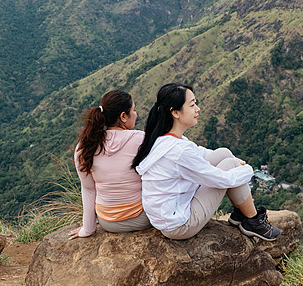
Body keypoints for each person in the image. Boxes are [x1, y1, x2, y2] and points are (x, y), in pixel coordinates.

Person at [132, 82, 280, 241]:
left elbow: (199, 152)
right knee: (230, 165)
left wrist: (233, 159)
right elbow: (222, 180)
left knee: (224, 153)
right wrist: (247, 169)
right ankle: (253, 220)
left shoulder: (163, 139)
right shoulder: (179, 151)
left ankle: (240, 213)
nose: (198, 109)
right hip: (179, 225)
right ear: (175, 112)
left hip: (168, 215)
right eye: (192, 105)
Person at [68, 89, 151, 238]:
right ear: (123, 116)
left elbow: (88, 189)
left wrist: (87, 229)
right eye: (134, 110)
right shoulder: (140, 139)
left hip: (107, 222)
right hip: (142, 218)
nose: (136, 114)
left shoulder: (85, 145)